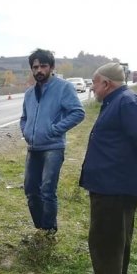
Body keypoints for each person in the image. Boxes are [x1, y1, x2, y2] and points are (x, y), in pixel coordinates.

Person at [75, 62, 137, 274]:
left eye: (94, 82)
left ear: (106, 83)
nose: (92, 88)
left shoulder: (126, 102)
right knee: (109, 236)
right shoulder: (117, 102)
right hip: (110, 181)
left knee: (108, 238)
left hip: (115, 182)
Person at [20, 49, 85, 233]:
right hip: (33, 147)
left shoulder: (63, 87)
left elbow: (78, 113)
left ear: (51, 67)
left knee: (47, 190)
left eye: (43, 66)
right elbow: (24, 117)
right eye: (35, 67)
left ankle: (49, 230)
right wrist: (25, 130)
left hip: (53, 148)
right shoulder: (29, 93)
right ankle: (40, 227)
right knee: (31, 190)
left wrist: (54, 130)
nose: (39, 70)